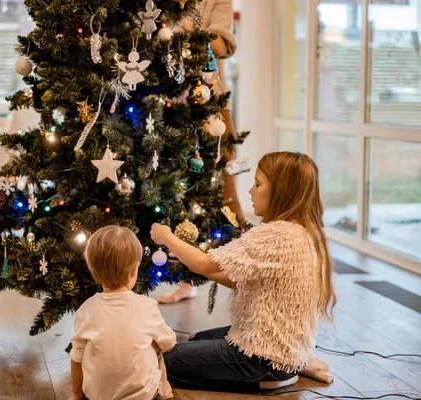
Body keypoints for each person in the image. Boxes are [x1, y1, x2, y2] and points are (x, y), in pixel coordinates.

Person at [151, 152, 336, 391]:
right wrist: (188, 257)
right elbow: (234, 278)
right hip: (281, 349)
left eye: (258, 184)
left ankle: (271, 377)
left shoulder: (275, 235)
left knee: (162, 360)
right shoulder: (302, 231)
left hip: (262, 358)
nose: (251, 190)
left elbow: (205, 264)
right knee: (196, 340)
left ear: (281, 191)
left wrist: (167, 237)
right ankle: (296, 364)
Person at [160, 0, 244, 304]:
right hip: (159, 102)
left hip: (207, 104)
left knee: (221, 192)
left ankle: (241, 276)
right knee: (169, 193)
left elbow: (222, 45)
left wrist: (182, 32)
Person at [69, 226, 176, 400]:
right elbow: (168, 344)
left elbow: (76, 358)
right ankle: (166, 395)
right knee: (156, 348)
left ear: (93, 270)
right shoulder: (147, 307)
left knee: (83, 351)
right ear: (134, 271)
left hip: (98, 396)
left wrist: (77, 394)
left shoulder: (85, 311)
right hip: (142, 395)